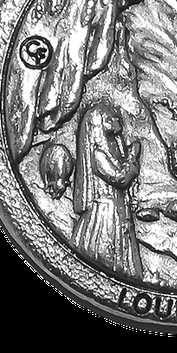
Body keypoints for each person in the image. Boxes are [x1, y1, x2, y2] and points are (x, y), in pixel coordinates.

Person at [71, 101, 142, 278]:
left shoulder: (112, 150)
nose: (117, 120)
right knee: (104, 254)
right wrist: (132, 158)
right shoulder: (98, 154)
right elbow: (120, 178)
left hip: (117, 208)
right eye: (111, 118)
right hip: (106, 211)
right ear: (99, 124)